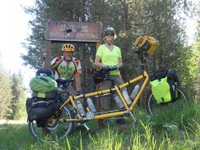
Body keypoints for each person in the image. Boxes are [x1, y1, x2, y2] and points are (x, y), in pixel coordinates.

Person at [94, 27, 130, 126]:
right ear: (104, 36)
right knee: (104, 96)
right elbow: (96, 62)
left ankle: (120, 117)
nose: (109, 36)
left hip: (116, 74)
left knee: (123, 93)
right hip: (105, 75)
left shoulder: (117, 49)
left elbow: (121, 63)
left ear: (114, 36)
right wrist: (105, 66)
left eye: (111, 34)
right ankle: (104, 121)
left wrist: (117, 66)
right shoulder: (101, 48)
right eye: (107, 34)